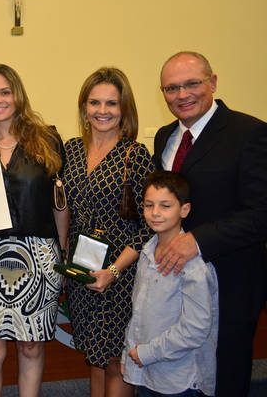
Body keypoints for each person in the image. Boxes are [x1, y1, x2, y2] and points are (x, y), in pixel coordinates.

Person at [153, 51, 267, 397]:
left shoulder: (250, 133)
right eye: (172, 88)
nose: (182, 94)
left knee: (224, 377)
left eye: (192, 84)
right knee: (180, 375)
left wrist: (198, 241)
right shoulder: (165, 137)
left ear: (213, 82)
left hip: (230, 280)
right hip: (176, 280)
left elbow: (261, 213)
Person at [0, 64, 67, 397]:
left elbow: (59, 203)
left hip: (39, 255)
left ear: (18, 95)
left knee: (31, 346)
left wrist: (62, 254)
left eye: (4, 92)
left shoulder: (48, 140)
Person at [62, 67, 155, 397]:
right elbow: (64, 208)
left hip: (121, 274)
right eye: (95, 102)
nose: (102, 111)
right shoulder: (71, 150)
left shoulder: (135, 155)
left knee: (116, 360)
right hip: (82, 271)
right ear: (84, 107)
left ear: (124, 108)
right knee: (95, 357)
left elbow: (149, 227)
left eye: (111, 103)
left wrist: (113, 271)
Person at [121, 171, 218, 397]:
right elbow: (138, 313)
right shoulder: (147, 252)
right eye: (149, 205)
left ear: (184, 210)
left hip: (178, 380)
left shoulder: (193, 265)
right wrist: (129, 355)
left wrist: (147, 353)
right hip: (147, 372)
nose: (155, 213)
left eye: (165, 206)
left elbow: (195, 328)